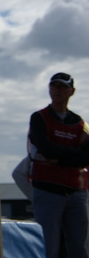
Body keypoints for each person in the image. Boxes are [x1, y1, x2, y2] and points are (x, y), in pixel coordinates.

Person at [28, 73, 89, 258]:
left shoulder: (80, 124)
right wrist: (73, 153)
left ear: (72, 91)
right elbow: (47, 149)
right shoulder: (39, 118)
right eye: (54, 86)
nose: (58, 91)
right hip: (48, 191)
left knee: (80, 249)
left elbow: (86, 158)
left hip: (76, 193)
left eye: (63, 87)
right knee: (48, 249)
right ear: (49, 89)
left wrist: (60, 159)